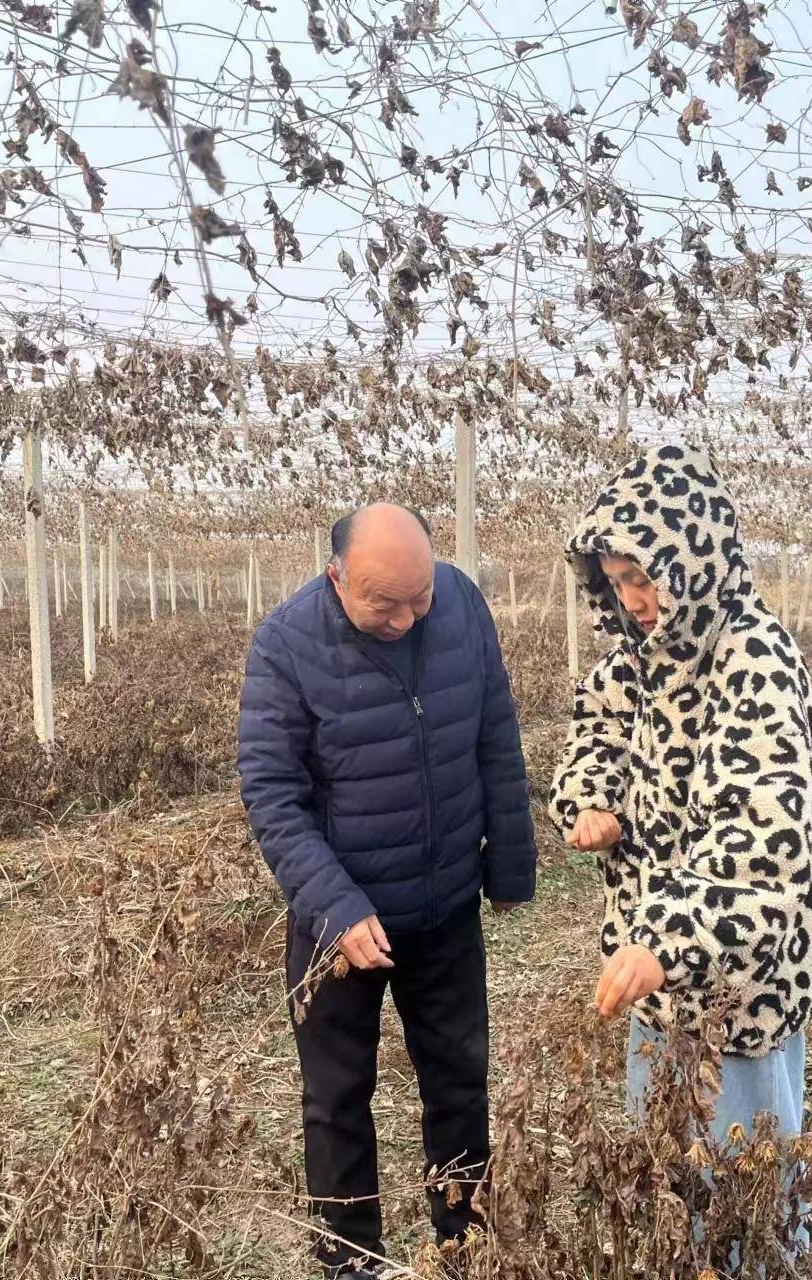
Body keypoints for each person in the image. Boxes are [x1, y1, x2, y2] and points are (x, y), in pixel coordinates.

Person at [238, 503, 538, 1279]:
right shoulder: (286, 645)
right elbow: (272, 794)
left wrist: (508, 866)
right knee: (336, 1102)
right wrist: (336, 908)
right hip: (342, 930)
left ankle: (466, 1246)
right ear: (336, 577)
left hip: (444, 910)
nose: (407, 619)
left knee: (460, 1082)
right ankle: (350, 1261)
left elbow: (495, 736)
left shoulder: (463, 604)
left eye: (420, 598)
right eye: (384, 603)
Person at [548, 444, 812, 1187]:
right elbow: (598, 727)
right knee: (668, 1186)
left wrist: (665, 940)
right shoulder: (638, 660)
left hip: (739, 991)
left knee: (745, 1197)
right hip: (655, 978)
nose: (633, 600)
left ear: (690, 562)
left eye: (643, 578)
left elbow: (761, 836)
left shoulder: (754, 661)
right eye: (616, 583)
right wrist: (593, 797)